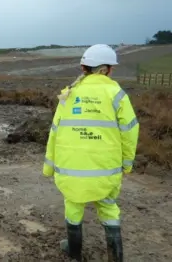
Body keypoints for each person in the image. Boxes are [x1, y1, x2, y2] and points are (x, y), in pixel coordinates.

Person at [42, 44, 139, 262]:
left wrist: (48, 167)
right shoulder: (116, 94)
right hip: (106, 171)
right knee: (108, 208)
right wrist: (127, 164)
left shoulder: (68, 95)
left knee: (73, 206)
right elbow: (130, 131)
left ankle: (74, 253)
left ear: (84, 67)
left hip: (71, 171)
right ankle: (115, 256)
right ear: (105, 69)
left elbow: (54, 133)